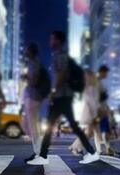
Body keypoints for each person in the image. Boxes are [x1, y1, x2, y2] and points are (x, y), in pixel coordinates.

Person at [27, 31, 99, 165]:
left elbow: (62, 75)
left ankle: (44, 156)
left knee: (52, 125)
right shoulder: (59, 55)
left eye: (52, 39)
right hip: (64, 96)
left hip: (62, 96)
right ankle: (91, 152)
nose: (50, 41)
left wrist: (53, 92)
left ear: (58, 41)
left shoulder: (60, 56)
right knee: (67, 125)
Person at [21, 43, 48, 162]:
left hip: (33, 97)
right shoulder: (32, 63)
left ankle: (38, 152)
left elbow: (34, 80)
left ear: (30, 52)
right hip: (32, 97)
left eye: (27, 50)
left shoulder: (34, 63)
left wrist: (25, 77)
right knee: (27, 124)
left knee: (32, 125)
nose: (25, 52)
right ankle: (38, 150)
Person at [69, 69, 101, 155]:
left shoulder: (91, 87)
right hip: (90, 112)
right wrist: (95, 113)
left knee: (90, 132)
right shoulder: (89, 87)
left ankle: (76, 147)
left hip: (91, 111)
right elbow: (92, 101)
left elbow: (94, 101)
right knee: (89, 132)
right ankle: (75, 147)